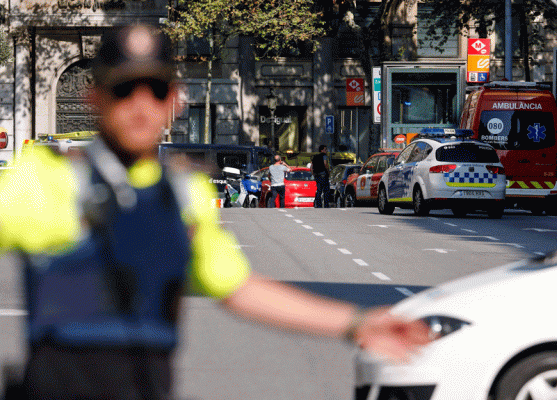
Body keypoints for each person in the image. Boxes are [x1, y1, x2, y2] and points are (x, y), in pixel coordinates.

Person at [0, 24, 431, 399]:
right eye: (122, 89)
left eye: (155, 89)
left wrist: (357, 323)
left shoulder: (183, 194)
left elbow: (239, 288)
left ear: (176, 99)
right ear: (96, 98)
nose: (140, 104)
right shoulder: (44, 179)